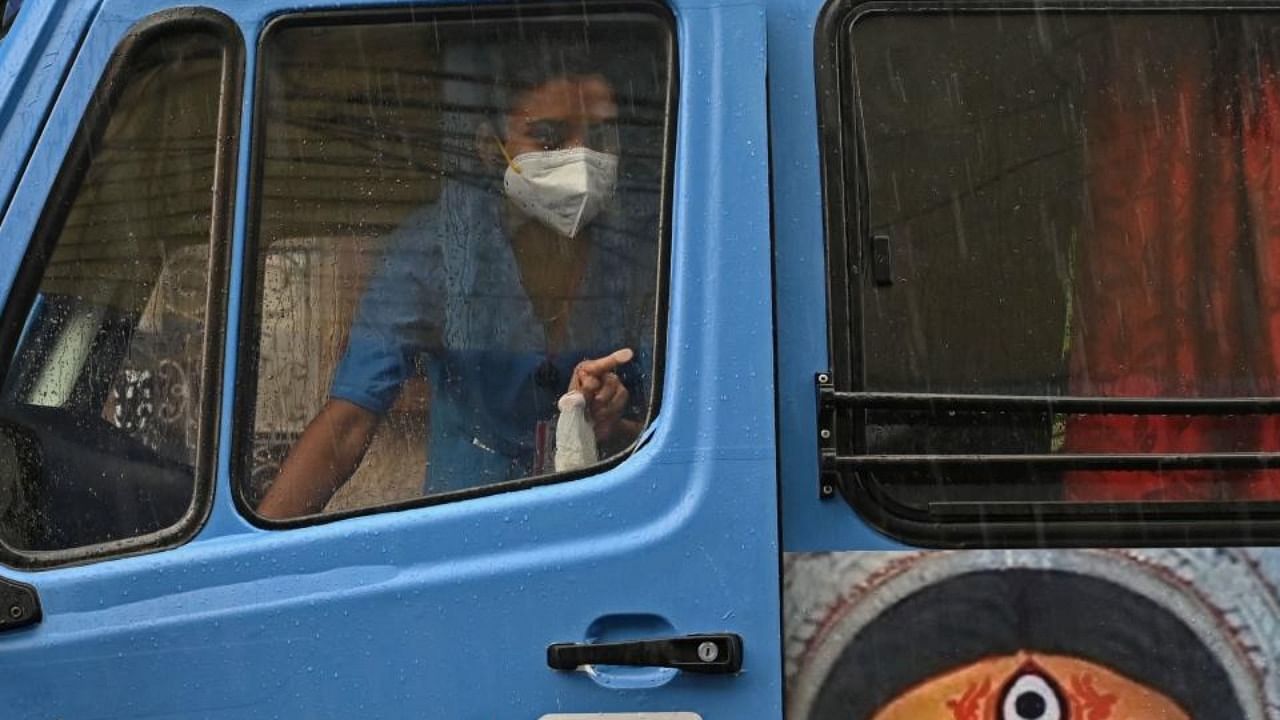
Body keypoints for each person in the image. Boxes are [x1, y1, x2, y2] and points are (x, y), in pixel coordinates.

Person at [257, 50, 657, 519]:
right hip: (465, 523)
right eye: (548, 137)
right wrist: (249, 564)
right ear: (492, 147)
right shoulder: (438, 249)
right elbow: (348, 422)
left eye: (598, 137)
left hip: (611, 516)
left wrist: (616, 421)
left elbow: (681, 431)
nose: (581, 157)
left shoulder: (644, 253)